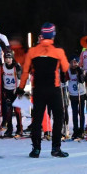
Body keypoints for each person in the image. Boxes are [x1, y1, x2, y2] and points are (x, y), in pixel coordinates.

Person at [17, 23, 70, 158]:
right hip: (53, 88)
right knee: (58, 117)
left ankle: (36, 149)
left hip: (38, 89)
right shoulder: (58, 51)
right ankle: (56, 148)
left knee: (37, 119)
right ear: (53, 35)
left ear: (41, 35)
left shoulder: (32, 51)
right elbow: (65, 68)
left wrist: (21, 88)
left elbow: (25, 71)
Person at [0, 50, 23, 138]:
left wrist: (19, 70)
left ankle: (19, 129)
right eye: (6, 58)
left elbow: (21, 77)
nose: (8, 60)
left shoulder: (16, 66)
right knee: (8, 111)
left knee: (17, 111)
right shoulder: (3, 67)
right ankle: (9, 129)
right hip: (7, 90)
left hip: (16, 90)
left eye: (10, 58)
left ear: (12, 58)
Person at [67, 56, 86, 140]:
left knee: (81, 113)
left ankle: (81, 130)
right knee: (74, 113)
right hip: (73, 94)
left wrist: (79, 73)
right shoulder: (68, 70)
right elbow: (64, 79)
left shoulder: (80, 70)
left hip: (81, 94)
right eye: (71, 62)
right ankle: (75, 130)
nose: (73, 64)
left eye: (75, 62)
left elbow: (82, 80)